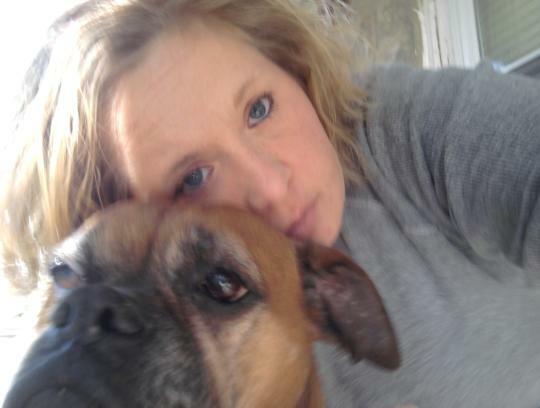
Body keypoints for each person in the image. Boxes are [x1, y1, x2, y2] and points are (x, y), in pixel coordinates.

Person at [1, 0, 539, 407]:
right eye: (192, 177)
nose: (271, 184)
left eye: (259, 108)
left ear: (294, 70)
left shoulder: (414, 131)